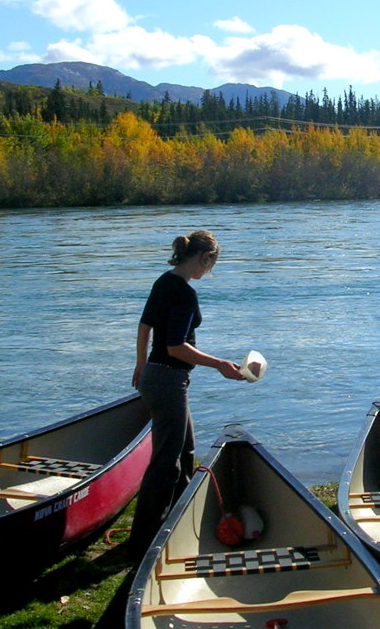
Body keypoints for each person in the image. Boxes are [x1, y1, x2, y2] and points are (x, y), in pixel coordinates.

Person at [130, 229, 247, 558]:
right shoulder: (183, 293)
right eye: (211, 265)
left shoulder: (163, 281)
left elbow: (144, 326)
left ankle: (178, 522)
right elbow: (175, 347)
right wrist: (220, 364)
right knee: (166, 463)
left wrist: (141, 363)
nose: (208, 272)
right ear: (204, 258)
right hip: (168, 379)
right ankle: (143, 543)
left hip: (157, 377)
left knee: (185, 451)